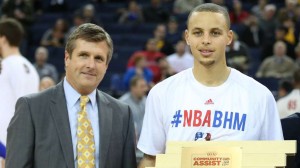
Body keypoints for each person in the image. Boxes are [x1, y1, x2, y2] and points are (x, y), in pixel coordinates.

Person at [137, 3, 284, 168]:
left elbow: (275, 160)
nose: (206, 41)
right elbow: (150, 160)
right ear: (187, 37)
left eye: (215, 33)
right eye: (198, 33)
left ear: (229, 37)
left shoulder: (260, 96)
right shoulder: (161, 93)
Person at [6, 23, 137, 168]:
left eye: (98, 58)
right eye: (83, 55)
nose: (91, 65)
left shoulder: (123, 114)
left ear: (106, 66)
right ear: (67, 58)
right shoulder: (31, 108)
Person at [0, 18, 39, 156]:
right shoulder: (31, 68)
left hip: (6, 144)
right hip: (19, 142)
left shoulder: (6, 66)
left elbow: (22, 108)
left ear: (3, 39)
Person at [119, 76, 149, 163]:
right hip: (130, 148)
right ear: (133, 88)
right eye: (142, 86)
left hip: (144, 147)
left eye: (145, 86)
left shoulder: (146, 100)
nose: (145, 89)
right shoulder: (122, 104)